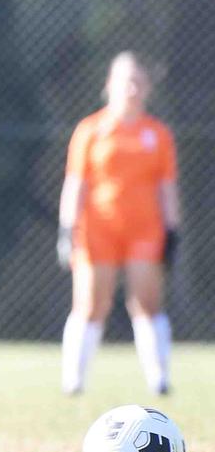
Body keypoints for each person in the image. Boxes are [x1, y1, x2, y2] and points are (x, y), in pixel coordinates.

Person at [57, 52, 180, 396]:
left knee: (147, 302)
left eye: (139, 81)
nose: (132, 88)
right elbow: (75, 183)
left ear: (147, 88)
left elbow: (166, 188)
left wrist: (172, 231)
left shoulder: (158, 134)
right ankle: (74, 380)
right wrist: (67, 230)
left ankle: (159, 378)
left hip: (144, 231)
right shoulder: (90, 130)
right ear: (109, 85)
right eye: (125, 80)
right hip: (96, 231)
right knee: (91, 304)